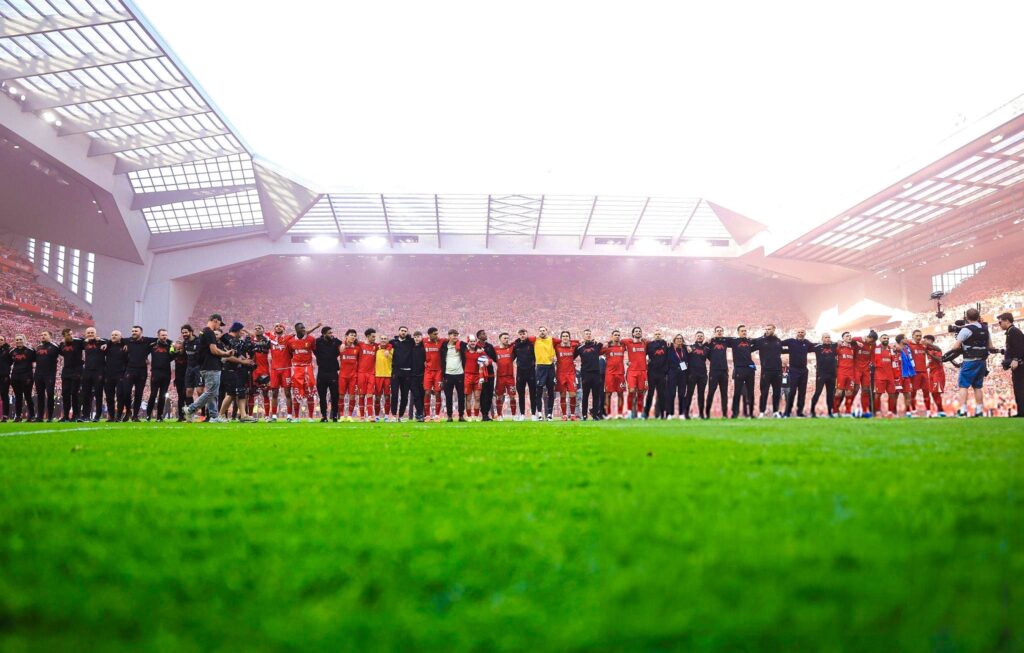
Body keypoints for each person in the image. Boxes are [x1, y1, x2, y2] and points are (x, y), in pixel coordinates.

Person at [183, 314, 232, 422]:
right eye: (219, 324)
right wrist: (226, 353)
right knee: (211, 392)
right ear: (215, 320)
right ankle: (191, 409)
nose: (219, 327)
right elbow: (213, 350)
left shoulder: (203, 332)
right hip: (211, 366)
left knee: (213, 392)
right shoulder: (209, 332)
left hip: (206, 366)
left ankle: (214, 416)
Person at [949, 308, 995, 417]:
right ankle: (979, 411)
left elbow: (956, 347)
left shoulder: (966, 330)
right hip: (982, 362)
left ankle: (962, 411)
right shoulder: (985, 329)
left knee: (963, 386)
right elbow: (990, 346)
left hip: (970, 361)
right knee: (977, 387)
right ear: (978, 317)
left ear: (966, 318)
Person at [218, 322, 258, 423]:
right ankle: (221, 414)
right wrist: (243, 361)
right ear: (237, 330)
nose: (243, 332)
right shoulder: (225, 338)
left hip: (239, 370)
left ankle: (244, 415)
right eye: (242, 330)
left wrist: (247, 361)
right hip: (230, 370)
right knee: (231, 393)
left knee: (241, 392)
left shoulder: (237, 340)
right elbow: (228, 356)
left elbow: (240, 353)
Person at [286, 321, 320, 422]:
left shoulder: (311, 339)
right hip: (296, 369)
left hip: (308, 368)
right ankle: (296, 417)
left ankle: (310, 417)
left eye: (304, 327)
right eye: (301, 328)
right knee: (296, 393)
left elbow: (315, 351)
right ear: (296, 329)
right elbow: (290, 354)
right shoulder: (290, 341)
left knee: (310, 393)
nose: (304, 329)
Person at [725, 325, 756, 419]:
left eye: (745, 331)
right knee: (737, 392)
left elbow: (760, 341)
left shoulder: (750, 341)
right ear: (738, 332)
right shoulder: (734, 341)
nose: (744, 332)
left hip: (750, 370)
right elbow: (723, 339)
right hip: (739, 369)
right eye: (742, 331)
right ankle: (735, 413)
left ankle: (751, 413)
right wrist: (711, 339)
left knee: (751, 392)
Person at [781, 329, 812, 418]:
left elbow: (815, 346)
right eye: (798, 332)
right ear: (796, 333)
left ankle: (800, 412)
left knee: (802, 393)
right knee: (792, 392)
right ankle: (787, 412)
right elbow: (779, 343)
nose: (800, 334)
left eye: (802, 332)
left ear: (805, 334)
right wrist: (786, 351)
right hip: (794, 370)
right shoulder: (791, 341)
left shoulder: (807, 342)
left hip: (804, 371)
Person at [754, 324, 783, 417]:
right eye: (766, 329)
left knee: (777, 393)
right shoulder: (760, 340)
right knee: (764, 392)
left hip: (778, 371)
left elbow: (782, 351)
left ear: (774, 329)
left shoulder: (778, 341)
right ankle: (762, 412)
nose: (767, 330)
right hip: (766, 371)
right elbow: (749, 348)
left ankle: (776, 412)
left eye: (769, 329)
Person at [997, 312, 1023, 418]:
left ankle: (1022, 413)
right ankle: (1021, 412)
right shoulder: (1010, 332)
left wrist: (1016, 359)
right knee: (1018, 389)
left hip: (1020, 366)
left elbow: (1021, 347)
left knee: (1020, 389)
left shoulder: (1014, 332)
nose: (999, 324)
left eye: (1000, 322)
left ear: (1007, 321)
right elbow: (1012, 348)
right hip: (1017, 365)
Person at [314, 326, 342, 422]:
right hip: (322, 372)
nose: (331, 334)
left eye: (331, 332)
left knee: (335, 396)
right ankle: (324, 416)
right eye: (329, 333)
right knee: (322, 396)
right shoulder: (317, 342)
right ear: (324, 334)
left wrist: (334, 338)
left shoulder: (335, 342)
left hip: (333, 372)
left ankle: (334, 416)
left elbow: (341, 343)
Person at [438, 328, 467, 422]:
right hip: (447, 374)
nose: (455, 336)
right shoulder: (444, 346)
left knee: (461, 396)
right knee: (448, 396)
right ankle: (449, 416)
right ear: (449, 336)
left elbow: (470, 346)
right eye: (453, 335)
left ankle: (461, 416)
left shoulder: (461, 345)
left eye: (456, 335)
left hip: (460, 374)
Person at [575, 329, 604, 420]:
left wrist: (595, 340)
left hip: (596, 373)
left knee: (596, 395)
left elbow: (603, 343)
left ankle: (595, 415)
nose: (588, 335)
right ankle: (584, 415)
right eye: (586, 334)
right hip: (585, 374)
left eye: (589, 334)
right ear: (583, 336)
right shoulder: (580, 347)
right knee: (585, 395)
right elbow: (572, 356)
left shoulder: (596, 345)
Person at [266, 323, 293, 421]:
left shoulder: (288, 338)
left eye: (280, 326)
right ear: (274, 329)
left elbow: (301, 333)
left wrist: (315, 327)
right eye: (276, 326)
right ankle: (273, 415)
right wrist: (245, 331)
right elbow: (256, 334)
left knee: (287, 393)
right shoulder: (270, 336)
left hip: (286, 369)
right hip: (274, 370)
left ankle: (289, 415)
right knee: (274, 393)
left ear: (284, 329)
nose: (278, 327)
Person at [145, 329, 173, 421]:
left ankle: (159, 416)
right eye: (162, 335)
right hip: (155, 373)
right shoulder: (152, 345)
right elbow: (143, 353)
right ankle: (148, 415)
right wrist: (146, 359)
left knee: (162, 395)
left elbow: (173, 356)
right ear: (158, 336)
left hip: (166, 373)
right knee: (153, 394)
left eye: (166, 335)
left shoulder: (170, 344)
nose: (164, 337)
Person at [388, 326, 415, 421]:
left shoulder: (410, 342)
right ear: (398, 331)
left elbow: (419, 340)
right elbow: (386, 347)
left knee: (405, 395)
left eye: (405, 331)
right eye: (402, 331)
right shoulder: (393, 342)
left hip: (407, 372)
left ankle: (400, 416)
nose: (403, 332)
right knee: (394, 394)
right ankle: (393, 414)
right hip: (396, 371)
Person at [57, 328, 84, 422]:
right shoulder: (61, 345)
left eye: (71, 333)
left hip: (77, 370)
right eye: (68, 334)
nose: (71, 335)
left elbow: (89, 344)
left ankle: (75, 415)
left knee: (74, 393)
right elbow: (60, 353)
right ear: (64, 336)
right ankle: (65, 416)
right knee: (65, 394)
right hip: (66, 371)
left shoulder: (79, 341)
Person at [552, 330, 580, 421]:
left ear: (569, 337)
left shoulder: (573, 346)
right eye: (563, 336)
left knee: (573, 394)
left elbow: (578, 342)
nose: (565, 337)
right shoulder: (557, 346)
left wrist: (570, 342)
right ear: (561, 338)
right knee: (562, 395)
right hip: (560, 374)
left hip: (571, 374)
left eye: (567, 336)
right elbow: (551, 340)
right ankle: (564, 415)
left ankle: (572, 415)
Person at [33, 330, 59, 422]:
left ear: (50, 336)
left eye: (45, 335)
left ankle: (50, 416)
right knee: (40, 396)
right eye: (42, 335)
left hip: (50, 375)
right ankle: (39, 416)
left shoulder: (55, 347)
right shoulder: (38, 347)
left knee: (50, 395)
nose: (43, 336)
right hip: (38, 374)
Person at [247, 324, 272, 419]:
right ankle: (249, 416)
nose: (257, 330)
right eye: (256, 329)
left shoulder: (266, 341)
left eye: (259, 328)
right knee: (251, 393)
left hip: (263, 370)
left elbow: (267, 345)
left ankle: (266, 416)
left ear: (263, 330)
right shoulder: (250, 340)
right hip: (253, 370)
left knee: (265, 392)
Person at [511, 329, 537, 420]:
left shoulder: (531, 344)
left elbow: (536, 356)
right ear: (518, 335)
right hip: (520, 372)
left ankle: (534, 414)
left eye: (524, 334)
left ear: (527, 334)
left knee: (533, 393)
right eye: (520, 334)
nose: (522, 335)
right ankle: (522, 414)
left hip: (531, 371)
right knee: (520, 393)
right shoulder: (516, 345)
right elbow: (511, 358)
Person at [644, 330, 670, 419]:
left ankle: (661, 414)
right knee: (650, 394)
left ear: (661, 335)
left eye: (659, 334)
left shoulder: (666, 344)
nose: (657, 335)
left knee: (661, 395)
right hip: (651, 373)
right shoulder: (649, 345)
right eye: (656, 334)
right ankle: (646, 414)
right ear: (653, 335)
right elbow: (642, 355)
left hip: (662, 373)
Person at [809, 334, 836, 418]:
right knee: (818, 392)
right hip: (821, 374)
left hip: (832, 374)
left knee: (830, 394)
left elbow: (847, 342)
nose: (827, 339)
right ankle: (812, 411)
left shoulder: (834, 346)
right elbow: (806, 346)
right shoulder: (817, 346)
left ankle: (830, 412)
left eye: (829, 337)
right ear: (822, 339)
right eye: (826, 337)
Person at [624, 327, 648, 419]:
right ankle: (629, 413)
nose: (638, 333)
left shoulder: (645, 343)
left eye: (639, 331)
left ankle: (639, 414)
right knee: (632, 391)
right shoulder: (628, 342)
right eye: (636, 331)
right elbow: (618, 341)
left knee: (641, 393)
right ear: (633, 333)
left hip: (642, 371)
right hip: (632, 371)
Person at [81, 327, 105, 422]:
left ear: (96, 334)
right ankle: (85, 416)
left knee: (98, 394)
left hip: (99, 371)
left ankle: (97, 416)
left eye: (92, 332)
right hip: (87, 371)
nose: (90, 334)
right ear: (86, 334)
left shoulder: (101, 341)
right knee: (86, 394)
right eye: (88, 333)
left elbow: (109, 341)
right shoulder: (84, 342)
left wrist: (102, 341)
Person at [705, 326, 730, 418]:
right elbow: (704, 351)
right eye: (717, 331)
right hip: (714, 371)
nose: (719, 332)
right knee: (711, 392)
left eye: (720, 331)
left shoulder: (726, 341)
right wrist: (713, 360)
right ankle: (707, 414)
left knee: (724, 393)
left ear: (723, 332)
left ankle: (724, 414)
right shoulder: (711, 341)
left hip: (724, 371)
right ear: (715, 332)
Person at [9, 334, 35, 422]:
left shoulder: (31, 351)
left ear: (24, 340)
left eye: (20, 339)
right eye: (17, 340)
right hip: (15, 376)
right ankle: (18, 416)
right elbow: (7, 363)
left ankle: (32, 415)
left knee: (28, 396)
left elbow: (37, 361)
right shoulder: (12, 351)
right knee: (18, 397)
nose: (18, 341)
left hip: (27, 376)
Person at [492, 333, 517, 420]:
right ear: (500, 339)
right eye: (505, 338)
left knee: (512, 396)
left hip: (510, 377)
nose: (507, 339)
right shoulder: (495, 349)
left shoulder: (511, 348)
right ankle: (499, 415)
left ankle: (514, 416)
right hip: (500, 377)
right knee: (499, 396)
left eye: (507, 338)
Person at [533, 326, 556, 420]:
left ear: (547, 331)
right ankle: (539, 414)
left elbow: (566, 340)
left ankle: (550, 414)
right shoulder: (535, 340)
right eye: (540, 330)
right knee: (538, 391)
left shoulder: (552, 340)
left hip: (550, 367)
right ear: (538, 332)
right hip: (540, 367)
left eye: (544, 330)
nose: (542, 332)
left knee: (551, 391)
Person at [685, 331, 709, 419]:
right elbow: (683, 358)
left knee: (701, 395)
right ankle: (686, 413)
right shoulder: (690, 347)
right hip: (692, 374)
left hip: (702, 375)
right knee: (689, 394)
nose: (700, 337)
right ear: (695, 337)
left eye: (701, 336)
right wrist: (684, 370)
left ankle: (701, 414)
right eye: (698, 336)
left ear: (703, 338)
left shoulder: (707, 349)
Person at [921, 335, 947, 417]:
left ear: (930, 340)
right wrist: (925, 367)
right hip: (931, 373)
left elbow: (940, 360)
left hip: (938, 373)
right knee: (932, 393)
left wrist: (928, 353)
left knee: (936, 392)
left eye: (925, 340)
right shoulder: (927, 349)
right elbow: (931, 361)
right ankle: (940, 411)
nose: (924, 341)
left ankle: (941, 412)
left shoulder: (936, 348)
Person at [356, 329, 379, 421]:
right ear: (368, 336)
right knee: (361, 395)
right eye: (373, 336)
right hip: (361, 373)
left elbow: (388, 345)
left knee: (369, 394)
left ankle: (370, 416)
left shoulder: (376, 346)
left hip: (371, 374)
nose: (374, 338)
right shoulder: (360, 345)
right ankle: (362, 416)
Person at [603, 330, 626, 418]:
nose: (617, 336)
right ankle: (608, 414)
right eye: (615, 335)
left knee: (620, 393)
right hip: (610, 374)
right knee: (608, 394)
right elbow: (598, 351)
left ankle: (620, 414)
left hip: (620, 374)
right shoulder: (606, 346)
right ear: (611, 336)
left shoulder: (623, 346)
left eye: (618, 335)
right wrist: (605, 343)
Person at [338, 329, 360, 421]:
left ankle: (350, 416)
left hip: (353, 376)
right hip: (342, 375)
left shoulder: (357, 348)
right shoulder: (340, 347)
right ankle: (342, 416)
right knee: (341, 395)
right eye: (351, 335)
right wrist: (343, 343)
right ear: (346, 336)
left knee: (352, 396)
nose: (353, 337)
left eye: (355, 335)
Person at [422, 327, 444, 422]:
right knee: (427, 392)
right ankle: (427, 415)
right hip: (428, 371)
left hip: (438, 371)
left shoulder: (441, 341)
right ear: (429, 334)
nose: (437, 335)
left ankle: (437, 415)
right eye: (435, 334)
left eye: (437, 333)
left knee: (437, 393)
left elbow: (453, 340)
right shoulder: (424, 341)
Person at [666, 334, 688, 418]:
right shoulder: (670, 349)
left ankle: (682, 413)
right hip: (672, 373)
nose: (679, 340)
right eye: (677, 338)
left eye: (680, 338)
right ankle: (669, 414)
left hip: (683, 374)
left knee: (682, 394)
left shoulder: (685, 349)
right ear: (674, 340)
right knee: (671, 394)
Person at [373, 334, 393, 421]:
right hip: (377, 376)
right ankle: (377, 416)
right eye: (382, 339)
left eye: (385, 339)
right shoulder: (376, 349)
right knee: (377, 397)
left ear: (388, 340)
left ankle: (386, 416)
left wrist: (388, 350)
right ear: (379, 340)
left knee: (387, 397)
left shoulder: (391, 349)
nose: (383, 340)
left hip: (388, 376)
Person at [409, 330, 426, 421]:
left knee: (422, 395)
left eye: (418, 337)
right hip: (412, 376)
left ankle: (421, 413)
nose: (416, 338)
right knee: (416, 396)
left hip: (422, 375)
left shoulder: (424, 348)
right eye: (415, 337)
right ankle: (419, 413)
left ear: (421, 337)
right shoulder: (411, 347)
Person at [0, 335, 11, 421]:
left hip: (4, 376)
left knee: (4, 396)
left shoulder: (8, 350)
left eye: (1, 339)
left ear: (4, 341)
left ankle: (5, 416)